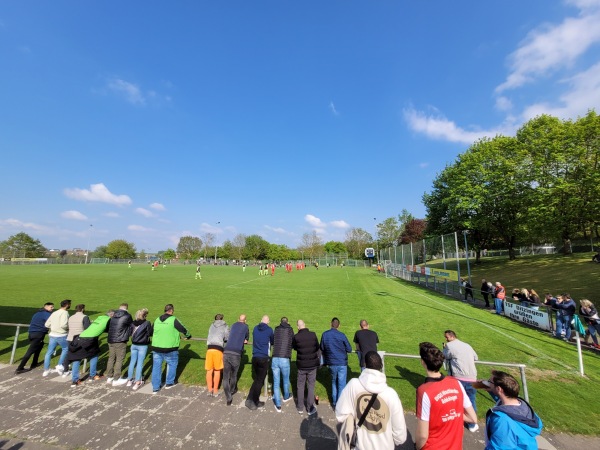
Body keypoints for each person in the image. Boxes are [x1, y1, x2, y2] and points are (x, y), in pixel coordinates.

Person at [336, 351, 407, 450]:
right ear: (381, 366)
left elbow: (340, 414)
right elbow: (400, 436)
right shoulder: (391, 395)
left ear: (365, 365)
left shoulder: (353, 385)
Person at [415, 342, 477, 450]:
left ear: (423, 362)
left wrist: (417, 447)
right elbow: (473, 418)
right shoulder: (456, 383)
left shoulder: (424, 391)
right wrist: (452, 415)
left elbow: (423, 435)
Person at [481, 370, 542, 449]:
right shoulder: (523, 406)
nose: (488, 383)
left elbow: (499, 447)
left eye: (490, 382)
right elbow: (504, 400)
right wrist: (492, 391)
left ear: (499, 389)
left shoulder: (502, 420)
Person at [443, 330, 479, 432]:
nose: (446, 339)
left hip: (459, 378)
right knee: (471, 400)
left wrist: (445, 348)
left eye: (446, 337)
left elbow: (444, 356)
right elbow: (476, 358)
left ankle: (454, 419)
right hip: (472, 377)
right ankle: (472, 423)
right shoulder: (467, 345)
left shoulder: (449, 346)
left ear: (451, 337)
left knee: (454, 399)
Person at [151, 303, 192, 393]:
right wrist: (188, 336)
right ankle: (169, 383)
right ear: (172, 310)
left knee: (156, 367)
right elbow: (183, 329)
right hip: (170, 347)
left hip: (157, 347)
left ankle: (155, 387)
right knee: (172, 364)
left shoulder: (157, 319)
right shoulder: (173, 319)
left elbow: (151, 331)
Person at [67, 310, 113, 386]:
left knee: (77, 359)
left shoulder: (100, 317)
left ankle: (75, 380)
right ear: (111, 316)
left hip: (79, 338)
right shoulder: (109, 320)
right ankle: (93, 375)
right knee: (94, 355)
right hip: (89, 340)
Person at [320, 317, 352, 409]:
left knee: (334, 382)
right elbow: (349, 349)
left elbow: (322, 347)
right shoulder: (341, 335)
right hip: (341, 363)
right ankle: (339, 404)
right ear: (339, 326)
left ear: (331, 324)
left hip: (332, 363)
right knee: (341, 384)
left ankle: (335, 402)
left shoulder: (325, 334)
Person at [15, 302, 54, 374]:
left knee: (39, 346)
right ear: (46, 307)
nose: (52, 308)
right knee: (30, 351)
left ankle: (34, 363)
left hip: (31, 334)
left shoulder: (37, 313)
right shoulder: (47, 314)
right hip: (38, 334)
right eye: (51, 307)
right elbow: (51, 323)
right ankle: (20, 368)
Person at [245, 315, 274, 410]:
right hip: (263, 357)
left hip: (255, 357)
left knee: (257, 379)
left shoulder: (255, 328)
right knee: (259, 380)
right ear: (268, 321)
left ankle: (250, 398)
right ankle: (253, 400)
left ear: (261, 320)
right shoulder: (269, 330)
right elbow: (272, 341)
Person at [292, 319, 320, 415]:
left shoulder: (296, 337)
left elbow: (295, 347)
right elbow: (317, 347)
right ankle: (309, 408)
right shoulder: (313, 334)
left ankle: (300, 407)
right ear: (305, 325)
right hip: (312, 365)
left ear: (298, 327)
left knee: (300, 386)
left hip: (302, 365)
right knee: (311, 386)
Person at [223, 314, 249, 406]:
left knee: (226, 376)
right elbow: (246, 339)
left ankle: (228, 395)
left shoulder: (234, 325)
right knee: (234, 374)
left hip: (226, 352)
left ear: (238, 319)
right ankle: (232, 390)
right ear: (245, 320)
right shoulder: (246, 327)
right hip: (236, 353)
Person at [105, 303, 133, 386]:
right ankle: (116, 378)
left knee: (111, 358)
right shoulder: (127, 315)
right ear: (126, 308)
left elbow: (108, 326)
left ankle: (109, 376)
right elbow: (132, 325)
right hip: (120, 340)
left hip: (111, 339)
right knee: (119, 359)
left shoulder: (113, 314)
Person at [42, 299, 71, 377]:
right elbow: (63, 325)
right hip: (61, 335)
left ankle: (46, 369)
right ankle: (59, 365)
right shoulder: (65, 313)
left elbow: (47, 324)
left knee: (49, 352)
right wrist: (69, 328)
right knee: (66, 349)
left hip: (52, 335)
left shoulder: (54, 312)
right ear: (67, 305)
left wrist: (54, 326)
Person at [126, 308, 153, 390]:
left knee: (132, 362)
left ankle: (129, 379)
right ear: (145, 316)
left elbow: (130, 333)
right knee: (140, 363)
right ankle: (138, 381)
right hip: (142, 345)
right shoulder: (147, 323)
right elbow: (149, 333)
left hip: (134, 345)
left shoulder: (133, 323)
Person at [271, 316, 294, 412]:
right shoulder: (290, 330)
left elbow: (273, 340)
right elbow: (293, 341)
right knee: (285, 379)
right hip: (284, 358)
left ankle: (278, 405)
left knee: (276, 383)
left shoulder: (276, 329)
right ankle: (286, 396)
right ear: (287, 322)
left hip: (275, 357)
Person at [206, 313, 229, 396]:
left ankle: (209, 389)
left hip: (209, 348)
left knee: (209, 370)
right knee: (217, 370)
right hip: (218, 349)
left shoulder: (211, 325)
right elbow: (227, 337)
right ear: (222, 319)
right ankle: (215, 390)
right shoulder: (225, 326)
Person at [64, 304, 91, 376]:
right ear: (82, 309)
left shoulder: (71, 317)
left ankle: (65, 369)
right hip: (78, 339)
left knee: (70, 353)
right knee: (77, 357)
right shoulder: (85, 317)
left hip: (70, 338)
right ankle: (75, 375)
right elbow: (87, 329)